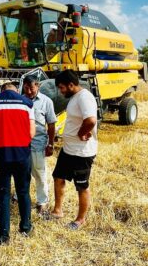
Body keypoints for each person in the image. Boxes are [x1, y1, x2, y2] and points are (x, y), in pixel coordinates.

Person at [0, 82, 36, 244]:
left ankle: (4, 234)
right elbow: (31, 133)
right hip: (22, 155)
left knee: (3, 194)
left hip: (0, 155)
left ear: (1, 91)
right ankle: (26, 227)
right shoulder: (27, 103)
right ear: (16, 91)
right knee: (23, 192)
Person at [50, 70, 98, 229]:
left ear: (71, 85)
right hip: (68, 149)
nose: (60, 91)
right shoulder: (75, 98)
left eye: (62, 87)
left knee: (81, 186)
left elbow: (91, 120)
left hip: (81, 152)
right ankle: (57, 211)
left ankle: (80, 220)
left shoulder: (85, 97)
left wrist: (81, 132)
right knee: (58, 177)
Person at [22, 75, 57, 214]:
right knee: (22, 173)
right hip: (22, 144)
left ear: (37, 86)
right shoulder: (20, 100)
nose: (29, 91)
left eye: (31, 88)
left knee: (39, 173)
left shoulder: (46, 101)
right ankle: (20, 197)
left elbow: (51, 123)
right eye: (26, 88)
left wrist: (51, 143)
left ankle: (42, 202)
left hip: (38, 143)